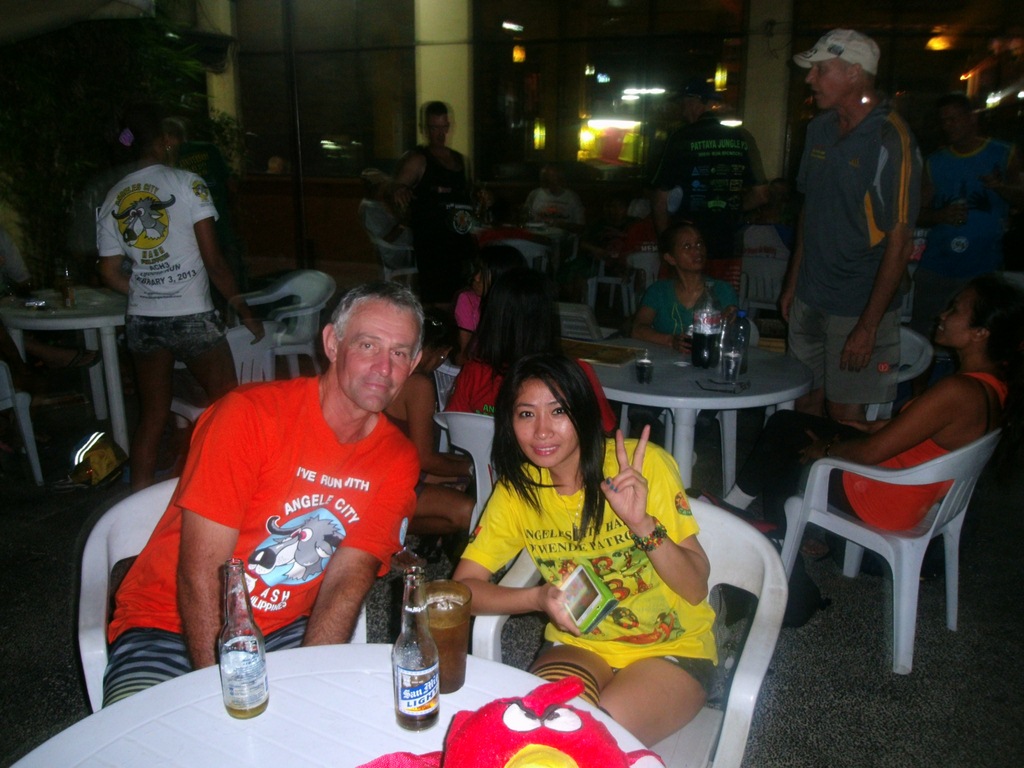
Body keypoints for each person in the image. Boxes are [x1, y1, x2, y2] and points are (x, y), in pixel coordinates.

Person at [102, 282, 425, 705]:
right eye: (368, 345)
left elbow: (348, 581)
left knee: (328, 727)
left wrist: (313, 681)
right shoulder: (248, 417)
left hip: (285, 629)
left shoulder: (397, 460)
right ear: (332, 343)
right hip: (167, 624)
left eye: (399, 353)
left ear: (415, 362)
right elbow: (203, 573)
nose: (384, 368)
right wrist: (223, 688)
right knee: (143, 737)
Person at [453, 353, 716, 747]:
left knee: (584, 742)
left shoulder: (641, 468)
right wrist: (537, 598)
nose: (542, 431)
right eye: (526, 414)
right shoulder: (517, 491)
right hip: (579, 646)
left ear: (583, 412)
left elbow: (695, 588)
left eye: (558, 411)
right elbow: (462, 590)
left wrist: (642, 524)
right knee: (537, 733)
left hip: (672, 648)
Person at [723, 274, 1024, 536]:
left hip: (882, 495)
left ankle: (766, 531)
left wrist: (827, 449)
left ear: (980, 332)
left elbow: (870, 453)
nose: (942, 316)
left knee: (790, 443)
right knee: (792, 425)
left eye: (954, 310)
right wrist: (875, 427)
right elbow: (933, 434)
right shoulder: (994, 388)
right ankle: (744, 513)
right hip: (905, 489)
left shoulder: (958, 391)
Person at [96, 104, 263, 491]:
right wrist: (243, 309)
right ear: (163, 140)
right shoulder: (189, 183)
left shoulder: (114, 197)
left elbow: (108, 271)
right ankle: (235, 488)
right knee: (229, 405)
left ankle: (138, 504)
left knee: (153, 415)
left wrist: (147, 288)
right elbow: (214, 261)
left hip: (143, 320)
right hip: (191, 317)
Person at [781, 29, 923, 421]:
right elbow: (809, 210)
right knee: (803, 403)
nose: (810, 79)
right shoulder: (819, 129)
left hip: (858, 303)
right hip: (810, 295)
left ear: (854, 74)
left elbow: (900, 242)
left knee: (845, 415)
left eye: (820, 70)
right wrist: (793, 282)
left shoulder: (890, 138)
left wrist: (868, 326)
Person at [445, 267, 618, 433]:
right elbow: (604, 432)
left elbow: (455, 426)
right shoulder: (575, 373)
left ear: (493, 318)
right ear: (547, 320)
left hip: (486, 455)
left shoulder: (474, 372)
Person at [911, 93, 1024, 340]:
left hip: (983, 267)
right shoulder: (935, 161)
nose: (948, 126)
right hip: (938, 265)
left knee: (980, 337)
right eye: (944, 120)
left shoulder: (1003, 153)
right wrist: (940, 215)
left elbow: (1021, 199)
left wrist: (1000, 187)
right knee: (925, 335)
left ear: (972, 118)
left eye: (954, 119)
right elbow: (915, 213)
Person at [650, 77, 767, 289]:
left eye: (684, 103)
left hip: (686, 245)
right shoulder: (743, 138)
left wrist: (666, 243)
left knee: (681, 300)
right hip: (728, 243)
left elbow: (660, 199)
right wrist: (730, 207)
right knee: (722, 300)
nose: (682, 110)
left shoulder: (681, 138)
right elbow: (760, 195)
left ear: (696, 102)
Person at [385, 307, 474, 537]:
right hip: (385, 482)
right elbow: (425, 459)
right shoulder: (418, 385)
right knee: (470, 512)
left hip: (386, 469)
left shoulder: (390, 368)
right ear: (443, 353)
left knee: (463, 474)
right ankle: (387, 530)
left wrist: (468, 466)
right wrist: (473, 467)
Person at [393, 101, 476, 305]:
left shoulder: (461, 160)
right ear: (424, 129)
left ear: (449, 127)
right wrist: (400, 191)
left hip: (461, 241)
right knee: (436, 298)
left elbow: (470, 194)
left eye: (443, 127)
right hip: (433, 243)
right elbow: (395, 187)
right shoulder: (418, 160)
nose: (440, 134)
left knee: (463, 296)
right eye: (434, 128)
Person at [632, 222, 738, 355]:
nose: (697, 251)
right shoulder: (658, 291)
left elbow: (733, 336)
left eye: (699, 244)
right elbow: (637, 330)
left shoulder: (722, 290)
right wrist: (671, 341)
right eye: (687, 246)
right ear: (670, 258)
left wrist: (727, 322)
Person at [452, 245, 526, 365]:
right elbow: (462, 356)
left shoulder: (521, 306)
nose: (476, 278)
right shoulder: (468, 300)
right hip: (478, 368)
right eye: (477, 270)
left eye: (483, 273)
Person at [523, 164, 586, 234]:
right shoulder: (534, 194)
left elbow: (580, 226)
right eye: (545, 177)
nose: (549, 180)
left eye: (552, 177)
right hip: (537, 235)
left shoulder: (572, 197)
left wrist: (560, 225)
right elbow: (525, 217)